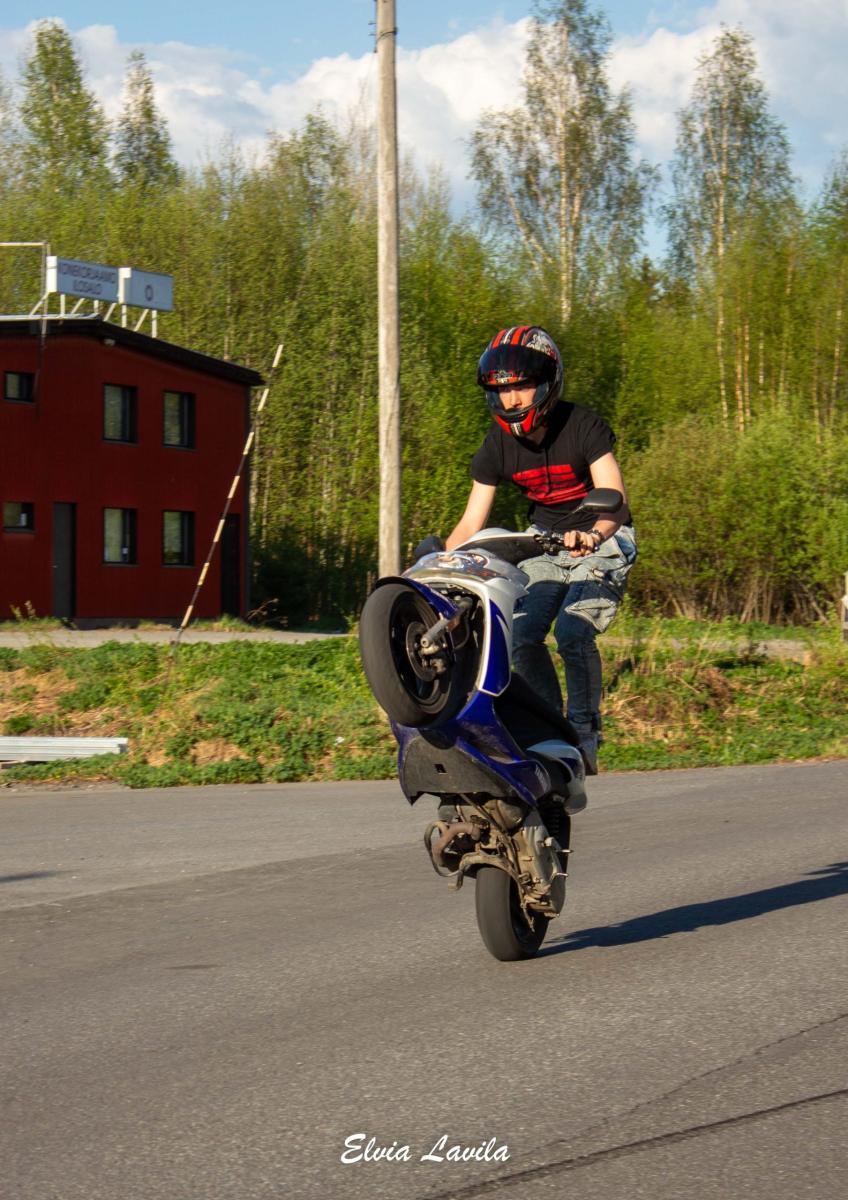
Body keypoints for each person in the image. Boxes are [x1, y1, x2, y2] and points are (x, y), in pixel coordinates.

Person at [445, 325, 636, 774]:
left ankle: (584, 731)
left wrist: (594, 534)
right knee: (521, 633)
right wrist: (444, 565)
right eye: (502, 390)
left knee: (572, 631)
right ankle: (552, 730)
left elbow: (616, 500)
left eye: (522, 387)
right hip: (544, 543)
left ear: (548, 384)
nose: (511, 400)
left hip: (603, 540)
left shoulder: (582, 426)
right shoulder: (496, 446)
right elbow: (470, 524)